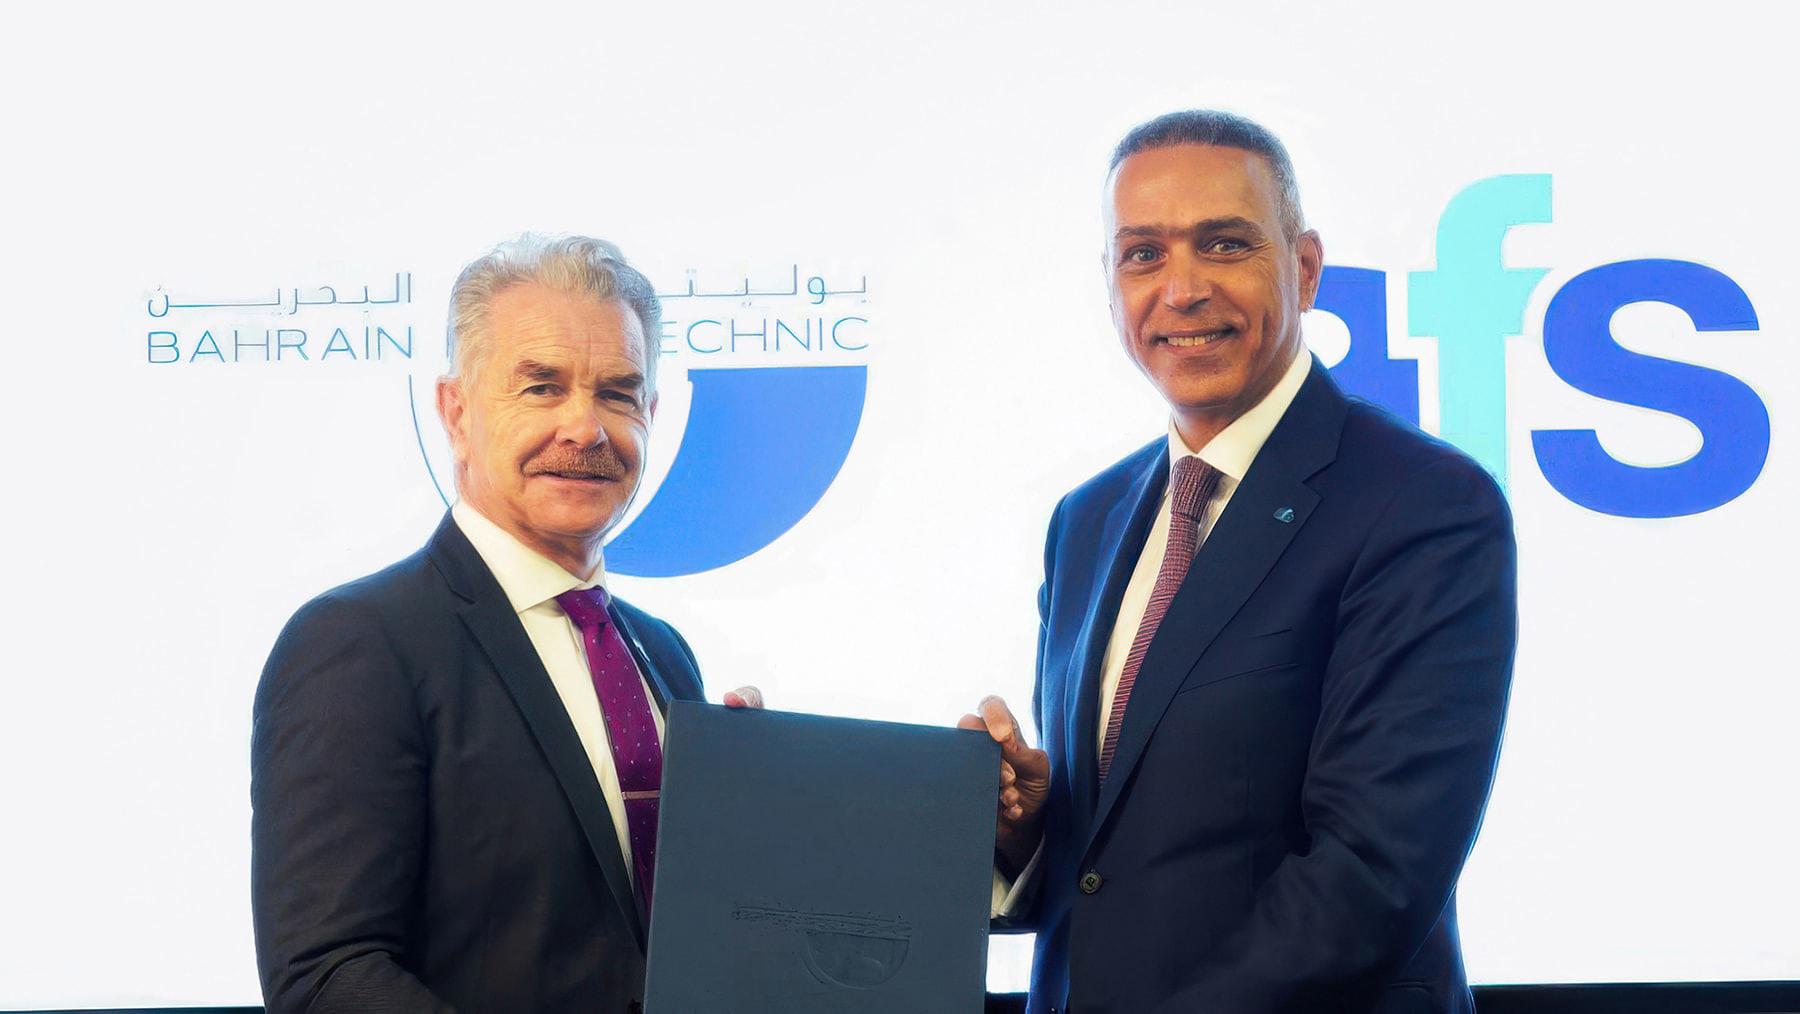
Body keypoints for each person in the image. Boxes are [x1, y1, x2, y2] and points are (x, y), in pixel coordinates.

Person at [964, 111, 1517, 1013]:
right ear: (1110, 284)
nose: (1181, 291)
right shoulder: (1086, 521)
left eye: (1223, 244)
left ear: (1304, 267)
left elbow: (1373, 875)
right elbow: (1115, 863)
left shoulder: (1424, 504)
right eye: (1143, 254)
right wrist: (1026, 831)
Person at [251, 235, 760, 1013]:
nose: (585, 429)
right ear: (456, 412)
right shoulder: (359, 644)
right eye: (542, 388)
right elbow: (327, 974)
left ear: (651, 416)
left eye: (618, 394)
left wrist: (760, 815)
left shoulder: (663, 656)